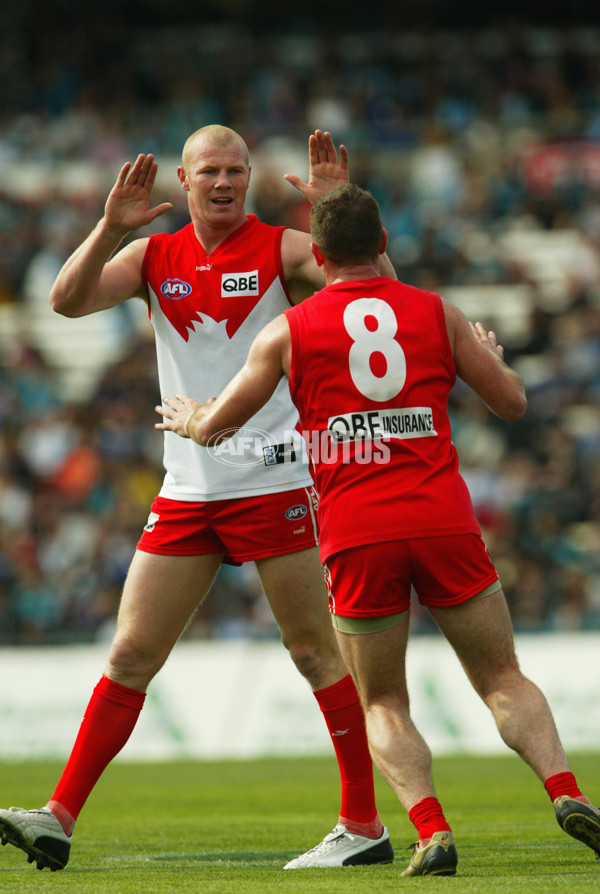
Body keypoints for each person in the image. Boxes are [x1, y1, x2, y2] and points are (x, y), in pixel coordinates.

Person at [155, 183, 600, 877]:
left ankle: (431, 829)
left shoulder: (289, 330)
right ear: (384, 245)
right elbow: (512, 402)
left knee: (383, 699)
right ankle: (566, 791)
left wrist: (187, 420)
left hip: (358, 531)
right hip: (443, 518)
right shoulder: (436, 312)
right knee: (502, 677)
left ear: (320, 254)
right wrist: (488, 350)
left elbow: (216, 428)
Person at [0, 131, 396, 872]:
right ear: (183, 180)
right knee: (129, 655)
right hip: (187, 488)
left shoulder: (281, 247)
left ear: (250, 178)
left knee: (314, 652)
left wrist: (335, 211)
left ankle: (363, 824)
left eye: (235, 170)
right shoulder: (154, 256)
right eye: (209, 171)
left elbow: (378, 292)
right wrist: (111, 228)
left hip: (273, 477)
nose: (223, 182)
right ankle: (56, 816)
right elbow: (65, 300)